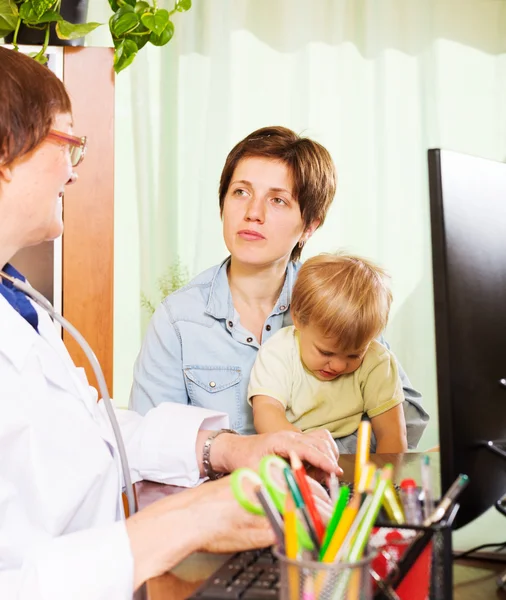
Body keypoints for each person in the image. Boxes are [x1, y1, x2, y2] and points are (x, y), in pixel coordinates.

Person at [0, 47, 341, 600]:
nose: (74, 167)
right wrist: (196, 516)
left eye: (279, 201)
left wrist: (226, 448)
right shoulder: (179, 317)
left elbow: (99, 430)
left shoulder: (17, 302)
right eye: (67, 142)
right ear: (5, 151)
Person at [130, 126, 429, 451]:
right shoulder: (178, 321)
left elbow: (407, 422)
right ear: (223, 203)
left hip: (331, 499)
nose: (252, 214)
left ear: (310, 225)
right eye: (240, 192)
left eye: (277, 200)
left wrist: (317, 455)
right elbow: (149, 444)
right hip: (225, 499)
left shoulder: (338, 300)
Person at [249, 253, 408, 454]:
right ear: (298, 319)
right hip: (291, 448)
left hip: (353, 455)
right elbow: (267, 414)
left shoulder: (377, 361)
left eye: (354, 355)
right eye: (326, 352)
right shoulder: (278, 351)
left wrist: (385, 481)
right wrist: (304, 449)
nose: (339, 366)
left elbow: (392, 435)